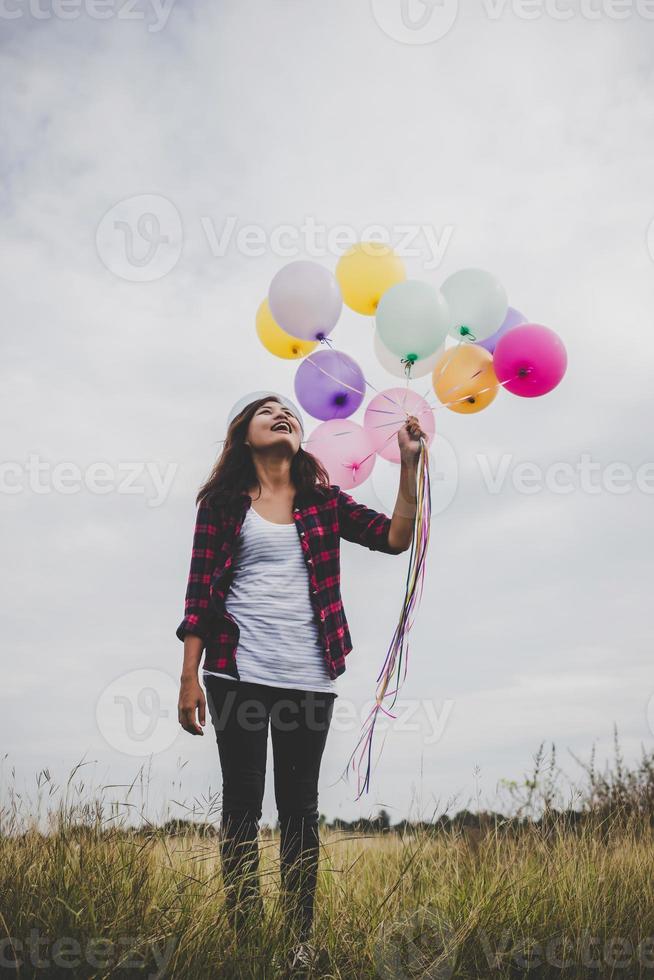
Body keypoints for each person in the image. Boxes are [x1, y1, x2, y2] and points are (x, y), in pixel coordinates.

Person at [176, 392, 425, 971]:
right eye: (267, 411)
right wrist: (188, 677)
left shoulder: (324, 502)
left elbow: (395, 538)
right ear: (243, 434)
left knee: (299, 809)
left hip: (310, 676)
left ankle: (297, 945)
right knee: (241, 804)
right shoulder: (221, 503)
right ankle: (245, 942)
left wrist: (409, 465)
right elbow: (198, 596)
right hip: (235, 671)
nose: (282, 414)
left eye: (288, 410)